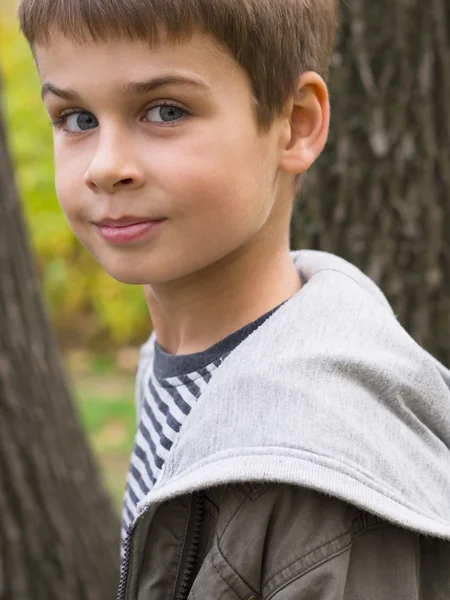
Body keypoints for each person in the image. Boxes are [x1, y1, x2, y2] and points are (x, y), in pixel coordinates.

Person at [18, 0, 450, 597]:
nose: (106, 166)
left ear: (295, 123)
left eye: (165, 110)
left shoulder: (318, 479)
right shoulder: (172, 366)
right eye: (76, 119)